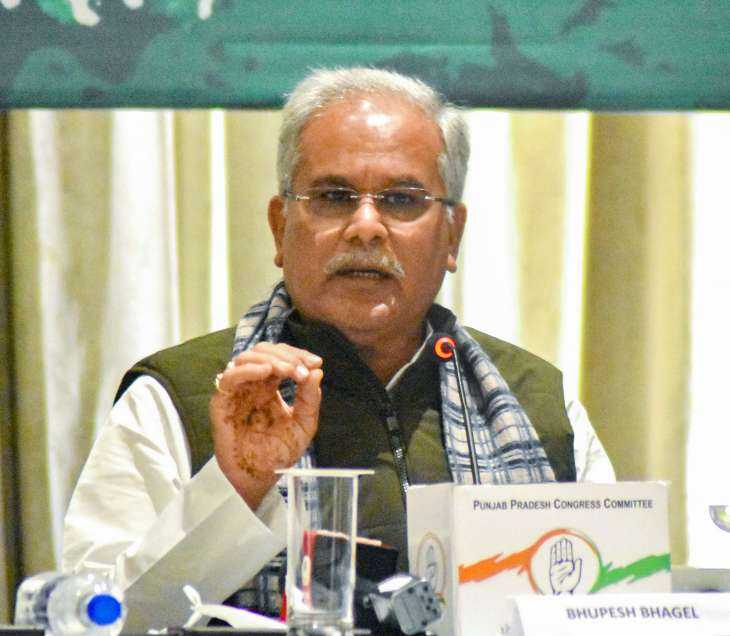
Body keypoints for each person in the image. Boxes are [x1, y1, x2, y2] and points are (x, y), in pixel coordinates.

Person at [62, 67, 614, 631]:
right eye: (333, 197)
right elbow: (91, 620)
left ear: (452, 234)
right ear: (279, 227)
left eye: (402, 199)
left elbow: (613, 606)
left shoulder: (540, 405)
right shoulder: (180, 397)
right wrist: (237, 485)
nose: (366, 227)